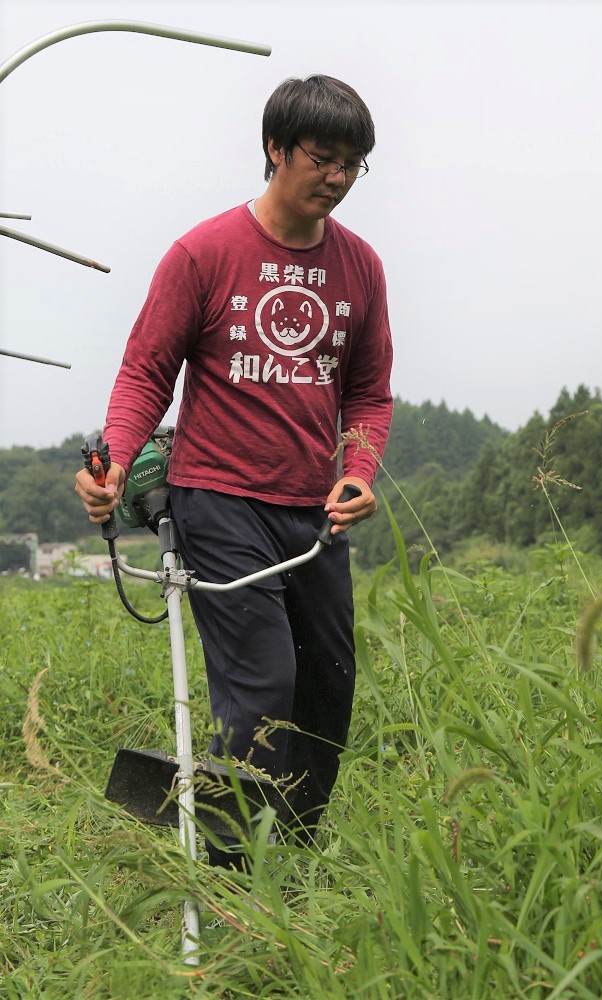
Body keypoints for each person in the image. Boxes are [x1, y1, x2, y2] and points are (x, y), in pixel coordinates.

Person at [74, 75, 393, 869]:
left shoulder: (361, 268)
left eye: (354, 164)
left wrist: (358, 471)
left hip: (313, 511)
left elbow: (367, 391)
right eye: (323, 158)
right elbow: (147, 370)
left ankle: (292, 859)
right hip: (218, 499)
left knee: (327, 688)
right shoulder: (205, 253)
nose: (338, 177)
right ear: (276, 150)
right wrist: (114, 457)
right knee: (263, 686)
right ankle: (228, 874)